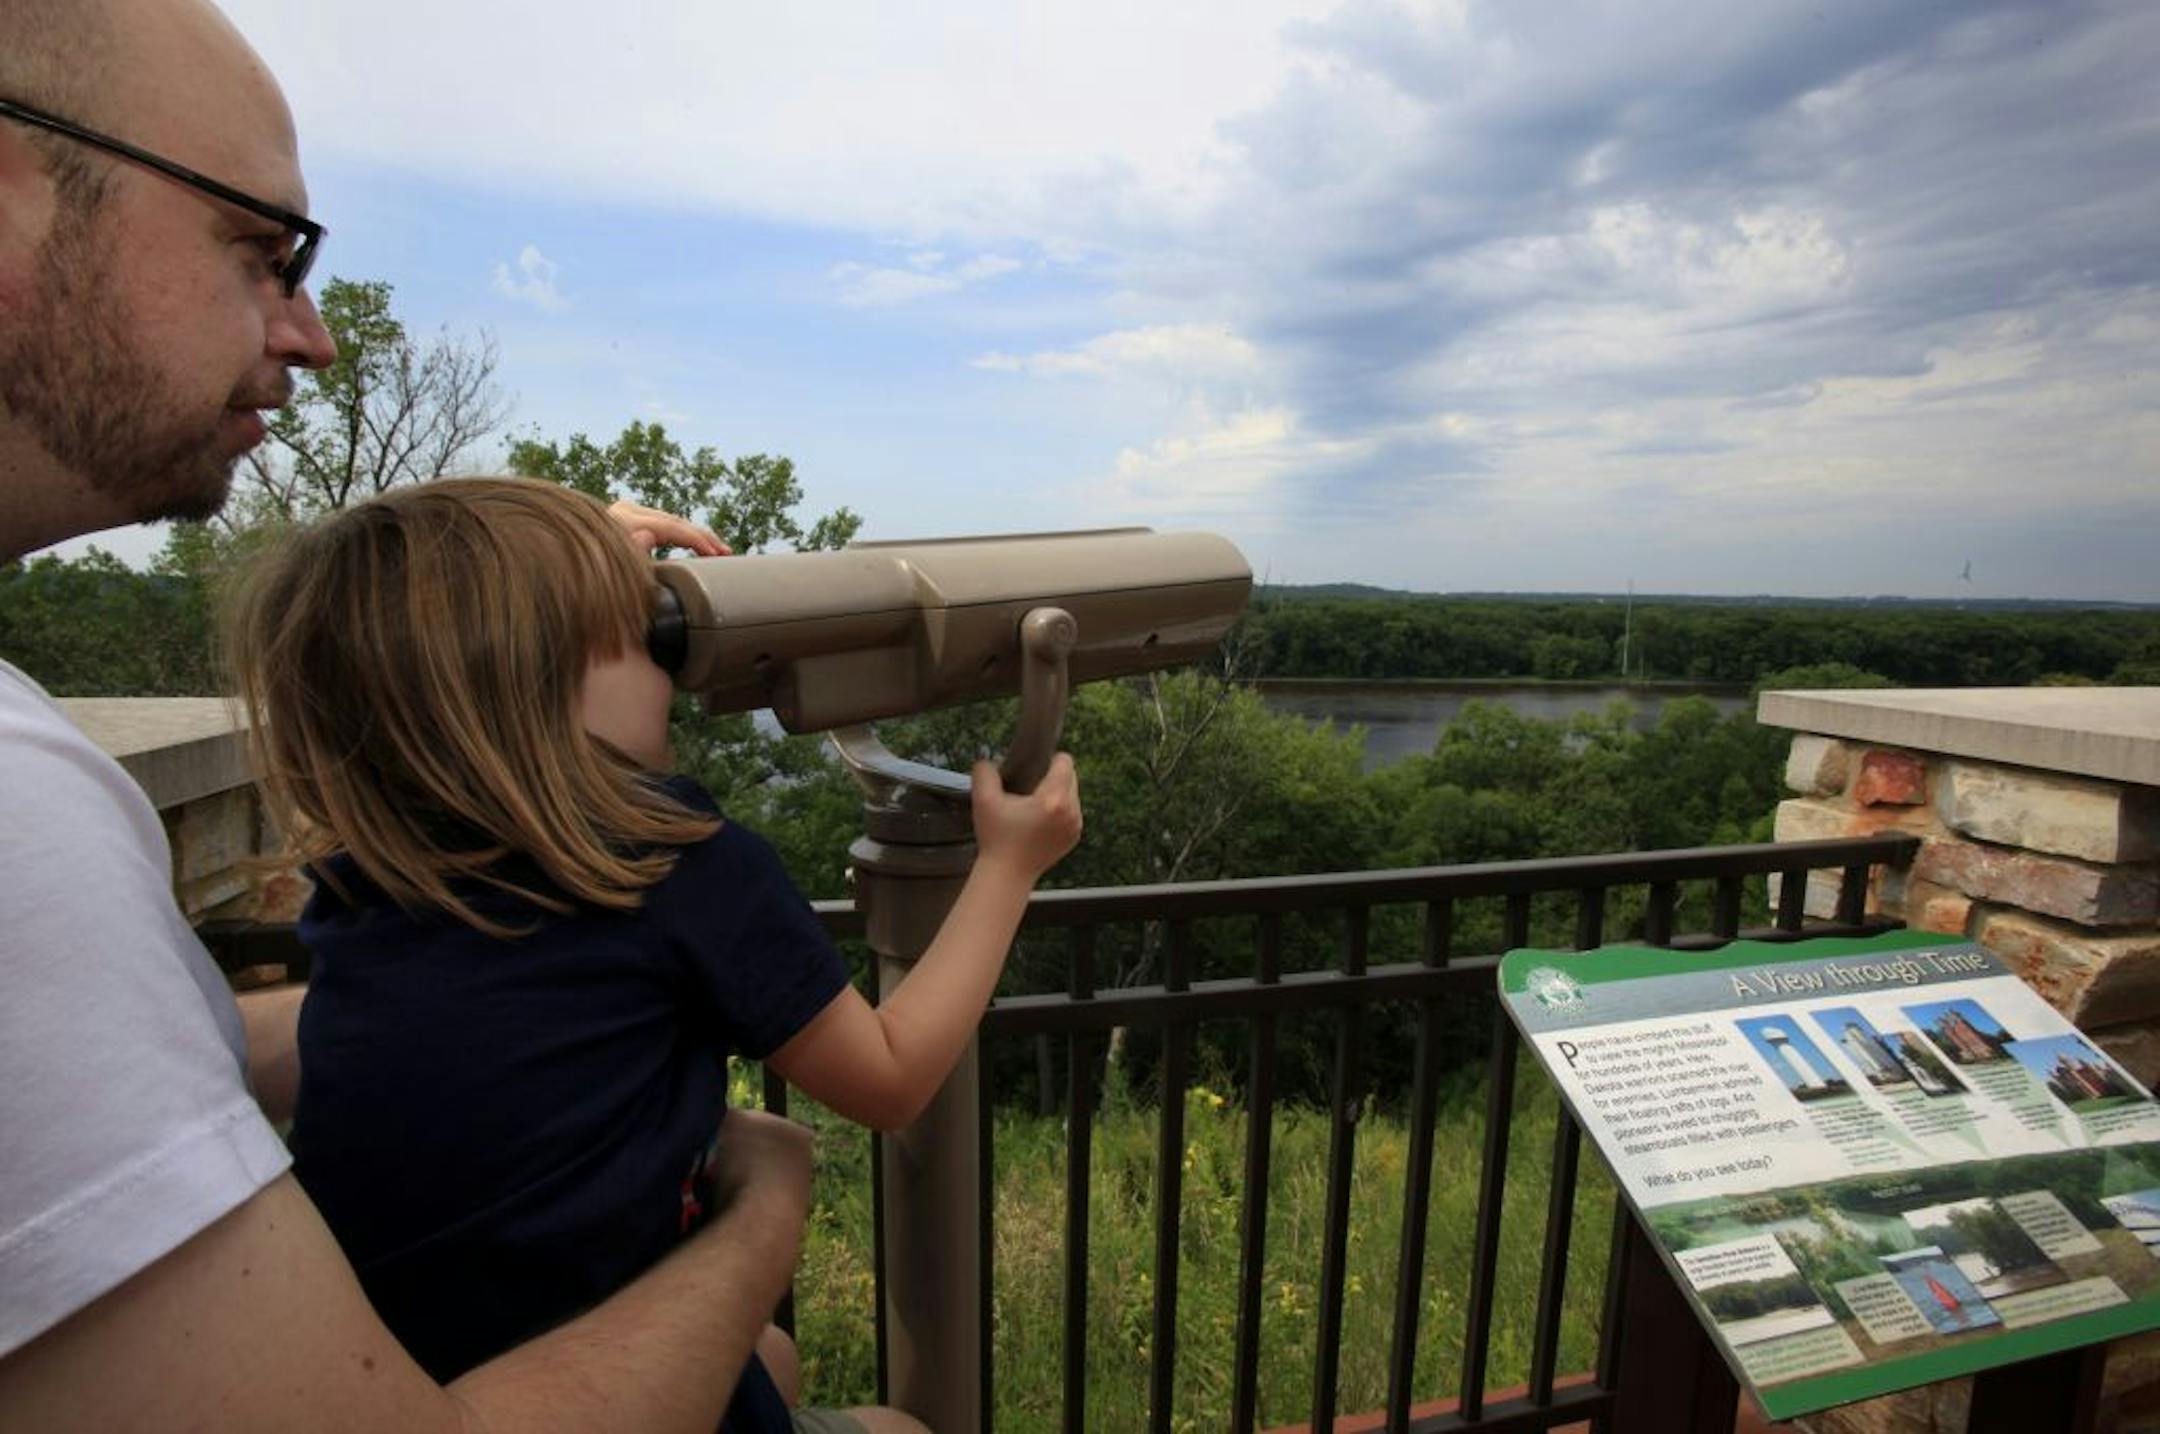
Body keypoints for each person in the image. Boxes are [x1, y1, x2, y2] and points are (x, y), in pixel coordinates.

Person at [0, 2, 898, 1429]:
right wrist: (762, 1214)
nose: (313, 335)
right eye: (261, 248)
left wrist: (554, 580)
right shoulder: (17, 826)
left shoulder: (344, 879)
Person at [219, 477, 1083, 1432]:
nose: (675, 661)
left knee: (776, 1357)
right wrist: (1009, 865)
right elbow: (888, 1078)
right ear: (543, 686)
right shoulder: (675, 870)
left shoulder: (372, 874)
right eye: (644, 633)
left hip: (398, 1365)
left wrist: (571, 556)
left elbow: (400, 588)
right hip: (603, 1386)